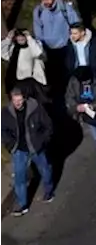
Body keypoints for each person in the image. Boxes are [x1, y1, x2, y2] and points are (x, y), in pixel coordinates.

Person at [0, 85, 55, 215]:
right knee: (19, 177)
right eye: (15, 101)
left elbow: (48, 125)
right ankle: (22, 204)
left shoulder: (35, 108)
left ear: (24, 98)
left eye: (20, 100)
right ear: (11, 100)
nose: (18, 104)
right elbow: (2, 131)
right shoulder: (6, 112)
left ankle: (49, 191)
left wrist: (42, 141)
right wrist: (10, 144)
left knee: (44, 169)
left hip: (36, 146)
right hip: (18, 148)